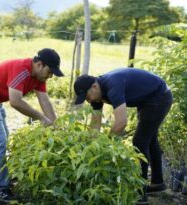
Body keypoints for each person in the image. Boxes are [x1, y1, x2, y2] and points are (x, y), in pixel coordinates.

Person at [0, 48, 63, 202]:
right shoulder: (21, 70)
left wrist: (56, 126)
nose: (50, 76)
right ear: (39, 64)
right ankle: (0, 189)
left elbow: (44, 100)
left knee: (3, 139)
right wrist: (40, 117)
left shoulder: (39, 78)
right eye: (49, 71)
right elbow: (15, 101)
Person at [73, 68, 173, 205]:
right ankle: (158, 183)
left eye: (87, 96)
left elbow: (121, 122)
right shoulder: (97, 93)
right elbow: (95, 125)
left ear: (94, 86)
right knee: (150, 139)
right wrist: (90, 146)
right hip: (148, 98)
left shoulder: (113, 85)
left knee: (140, 141)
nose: (88, 101)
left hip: (160, 96)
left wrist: (105, 142)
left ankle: (140, 192)